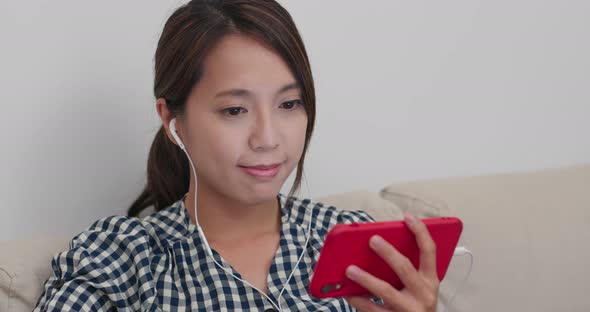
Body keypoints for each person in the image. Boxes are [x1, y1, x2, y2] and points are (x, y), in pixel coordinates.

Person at [34, 0, 439, 311]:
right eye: (234, 110)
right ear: (174, 122)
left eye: (289, 104)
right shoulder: (119, 260)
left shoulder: (351, 241)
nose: (267, 138)